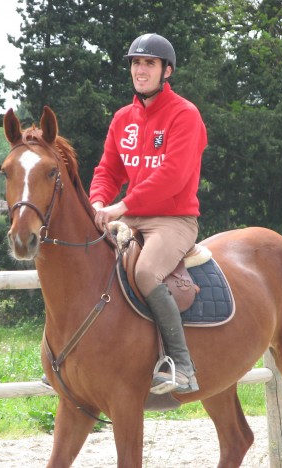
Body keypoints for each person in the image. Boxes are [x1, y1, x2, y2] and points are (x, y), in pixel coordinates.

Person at [89, 33, 207, 394]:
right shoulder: (123, 118)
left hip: (174, 219)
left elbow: (172, 176)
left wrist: (121, 206)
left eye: (149, 63)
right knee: (88, 263)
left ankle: (181, 365)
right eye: (136, 63)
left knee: (145, 272)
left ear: (166, 70)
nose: (140, 70)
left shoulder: (185, 115)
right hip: (131, 215)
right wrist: (96, 203)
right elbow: (108, 171)